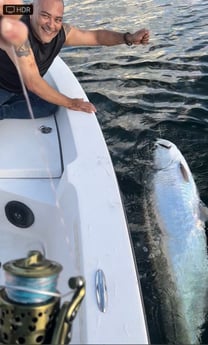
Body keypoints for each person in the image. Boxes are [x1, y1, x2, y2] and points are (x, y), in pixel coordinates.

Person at [0, 0, 150, 119]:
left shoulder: (62, 32)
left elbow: (97, 37)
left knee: (50, 105)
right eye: (45, 16)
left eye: (57, 19)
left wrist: (128, 38)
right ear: (32, 12)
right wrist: (72, 103)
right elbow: (33, 82)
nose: (51, 25)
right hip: (3, 86)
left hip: (21, 88)